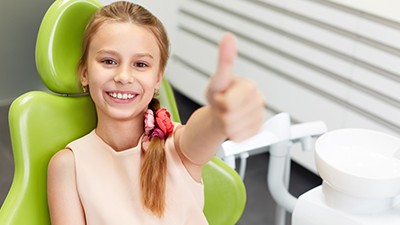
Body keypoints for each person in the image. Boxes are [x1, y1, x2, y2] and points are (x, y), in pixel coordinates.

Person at [47, 1, 264, 225]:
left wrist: (219, 116)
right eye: (109, 61)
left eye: (140, 64)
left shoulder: (177, 147)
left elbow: (202, 132)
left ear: (158, 79)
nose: (123, 76)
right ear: (84, 73)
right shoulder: (68, 167)